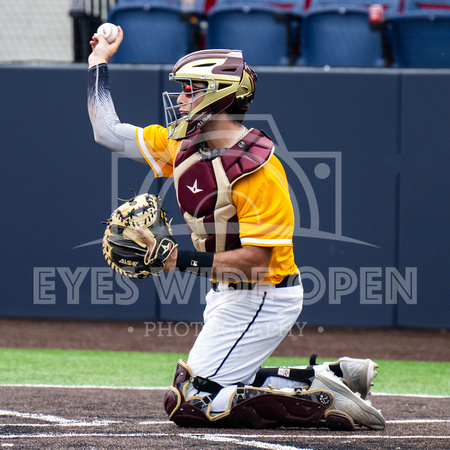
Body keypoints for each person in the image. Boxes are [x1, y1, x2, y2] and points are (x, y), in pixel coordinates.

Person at [87, 27, 385, 430]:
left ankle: (321, 403)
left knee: (190, 401)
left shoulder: (259, 170)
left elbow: (258, 264)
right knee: (221, 383)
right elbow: (107, 131)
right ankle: (329, 376)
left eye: (190, 89)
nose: (180, 98)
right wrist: (98, 62)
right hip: (229, 295)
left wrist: (176, 258)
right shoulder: (184, 145)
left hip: (265, 297)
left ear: (217, 95)